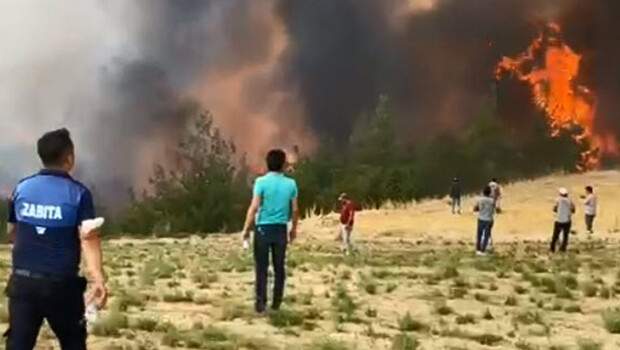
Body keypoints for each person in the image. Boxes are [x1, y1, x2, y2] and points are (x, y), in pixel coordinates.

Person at [5, 128, 107, 349]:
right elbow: (88, 238)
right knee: (73, 343)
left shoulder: (21, 189)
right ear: (69, 158)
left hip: (23, 285)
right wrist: (98, 278)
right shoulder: (78, 193)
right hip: (62, 287)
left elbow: (12, 232)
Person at [242, 149, 299, 314]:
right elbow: (295, 210)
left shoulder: (261, 182)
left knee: (261, 267)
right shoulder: (291, 184)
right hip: (281, 229)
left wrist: (246, 229)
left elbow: (254, 207)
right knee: (279, 267)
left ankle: (260, 305)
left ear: (267, 164)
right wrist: (293, 229)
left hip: (263, 229)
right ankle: (276, 303)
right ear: (283, 164)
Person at [551, 187, 576, 253]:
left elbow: (554, 209)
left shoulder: (558, 200)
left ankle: (552, 248)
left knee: (555, 235)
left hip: (558, 220)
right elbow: (573, 210)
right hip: (567, 221)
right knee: (565, 236)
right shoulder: (570, 200)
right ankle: (563, 249)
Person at [474, 186, 496, 256]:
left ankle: (478, 249)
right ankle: (483, 250)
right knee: (486, 235)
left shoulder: (479, 200)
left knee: (479, 235)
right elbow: (494, 209)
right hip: (488, 219)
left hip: (480, 218)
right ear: (489, 193)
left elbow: (475, 209)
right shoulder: (492, 201)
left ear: (483, 192)